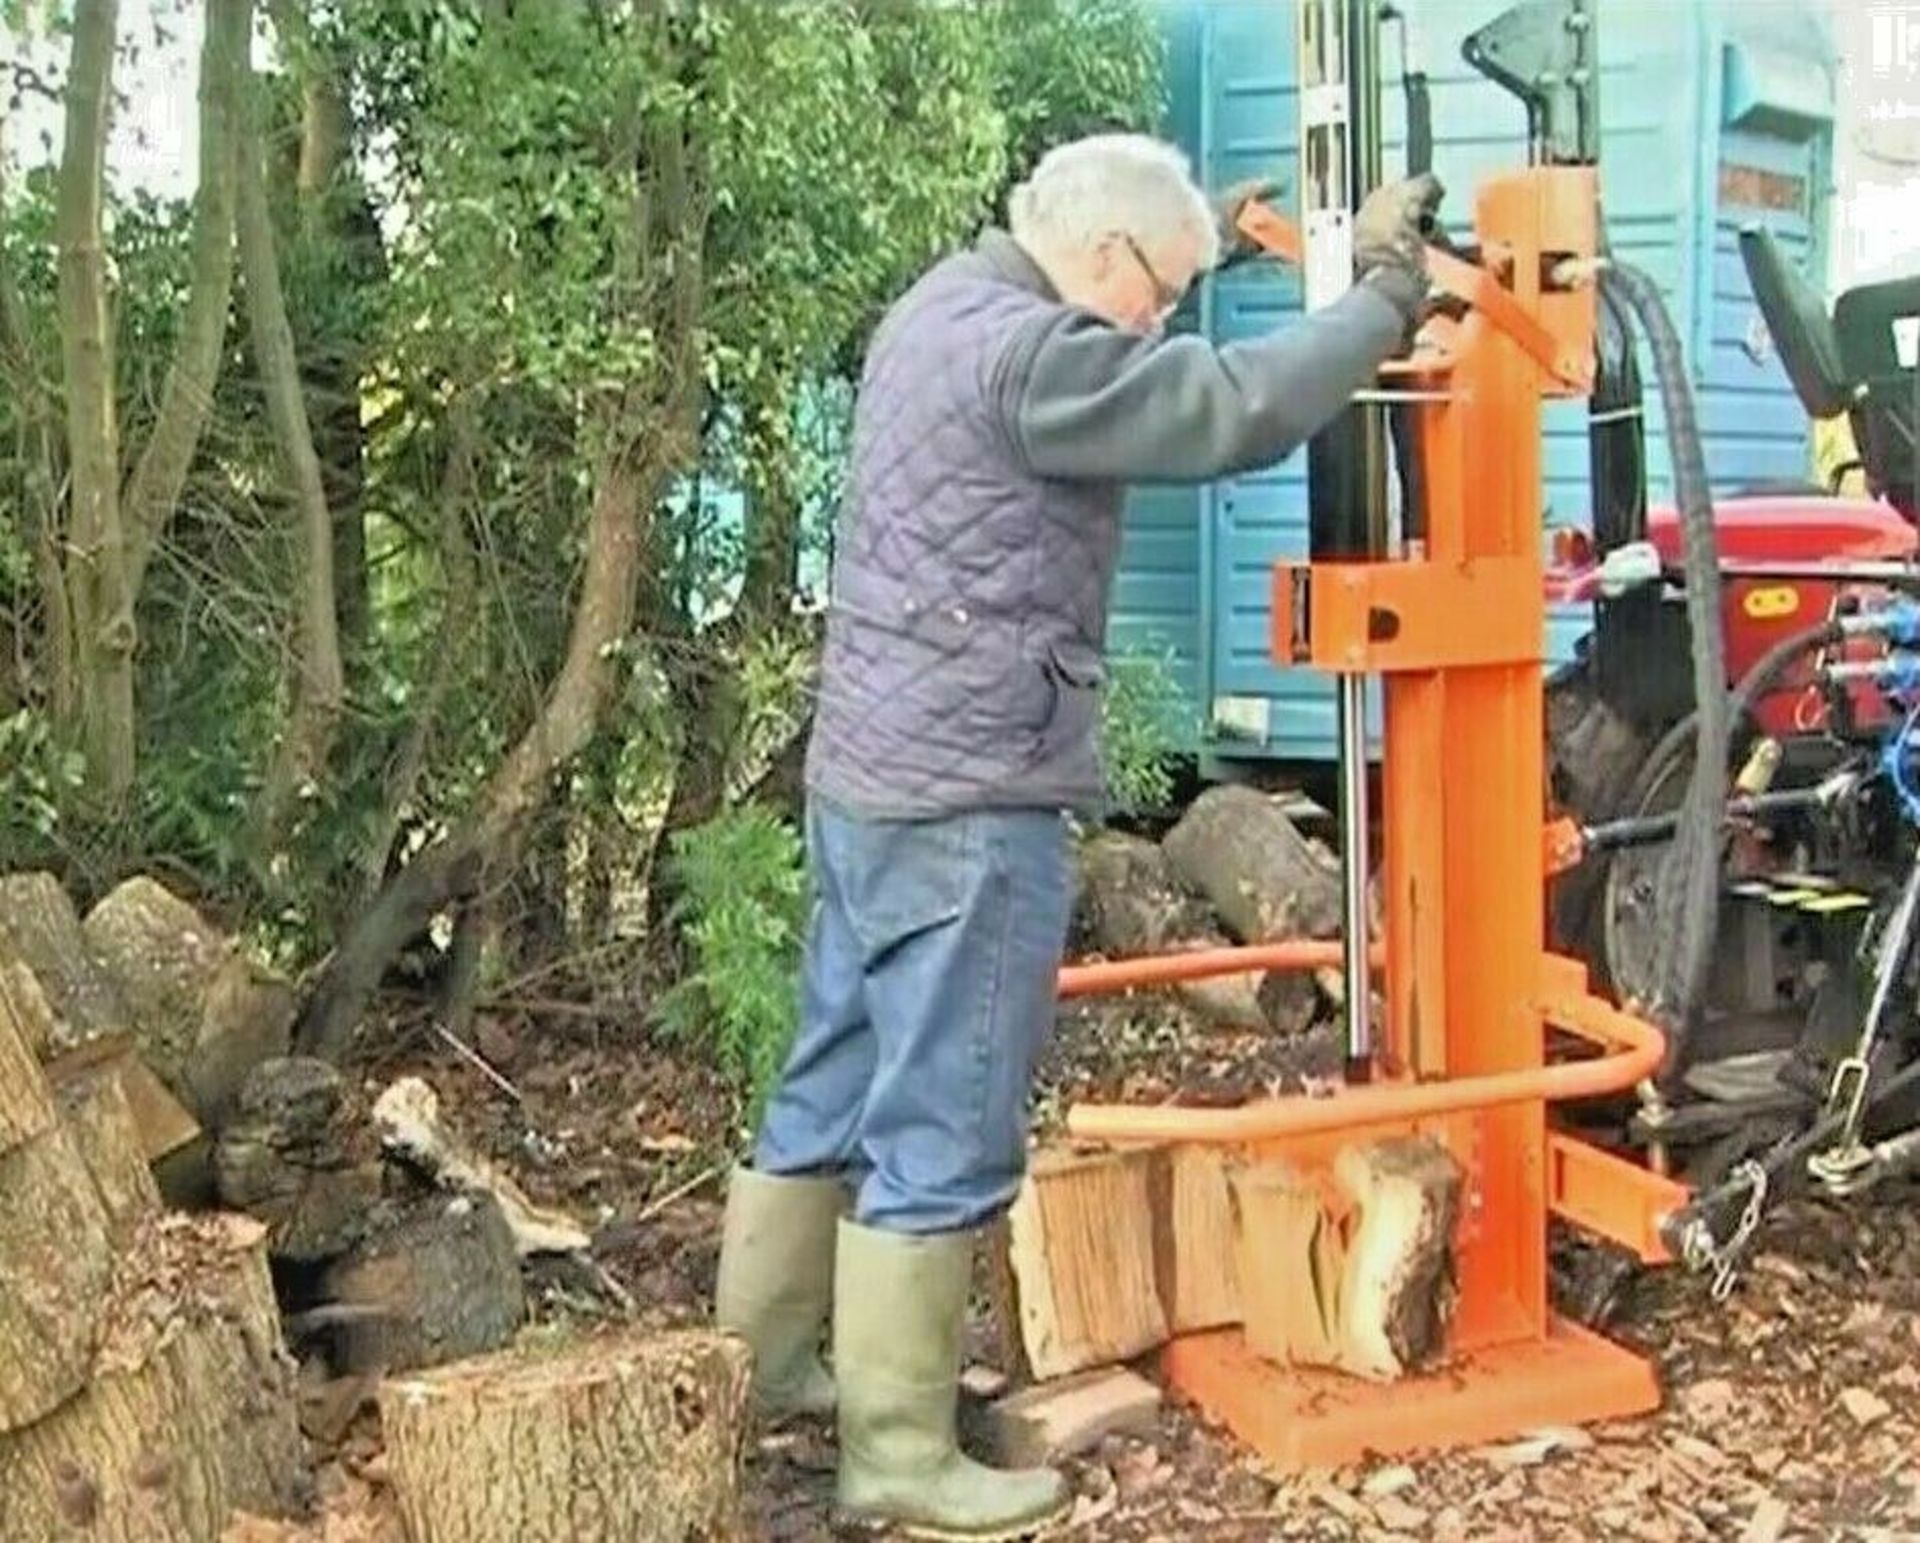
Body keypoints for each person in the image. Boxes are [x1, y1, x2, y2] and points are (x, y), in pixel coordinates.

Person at [713, 133, 1443, 1539]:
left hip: (870, 771)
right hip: (972, 794)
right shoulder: (1042, 361)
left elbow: (1131, 306)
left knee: (831, 1075)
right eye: (1158, 291)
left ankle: (767, 1364)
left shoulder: (943, 304)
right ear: (1102, 260)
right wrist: (1385, 304)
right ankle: (899, 1458)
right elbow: (1228, 408)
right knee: (946, 1109)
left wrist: (1215, 240)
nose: (1162, 320)